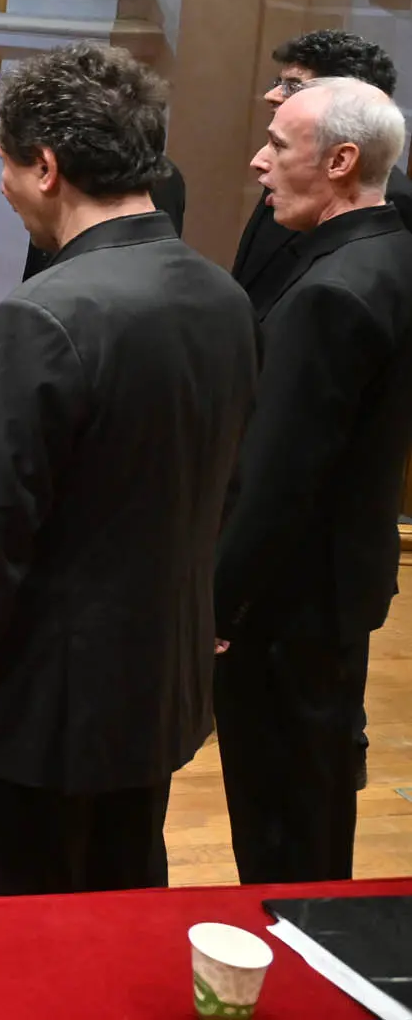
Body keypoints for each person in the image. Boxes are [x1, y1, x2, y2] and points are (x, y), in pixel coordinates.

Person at [0, 43, 257, 897]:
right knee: (119, 921)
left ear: (46, 166)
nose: (7, 187)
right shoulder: (221, 296)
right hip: (154, 689)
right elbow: (223, 484)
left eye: (8, 167)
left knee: (18, 948)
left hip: (36, 714)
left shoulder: (41, 318)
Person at [215, 78, 412, 885]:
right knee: (317, 789)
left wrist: (216, 605)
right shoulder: (389, 250)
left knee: (283, 818)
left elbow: (278, 476)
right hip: (338, 582)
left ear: (340, 159)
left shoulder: (330, 292)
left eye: (280, 147)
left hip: (287, 602)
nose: (260, 163)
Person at [231, 30, 412, 313]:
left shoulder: (394, 200)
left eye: (293, 86)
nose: (271, 95)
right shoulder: (293, 165)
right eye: (279, 82)